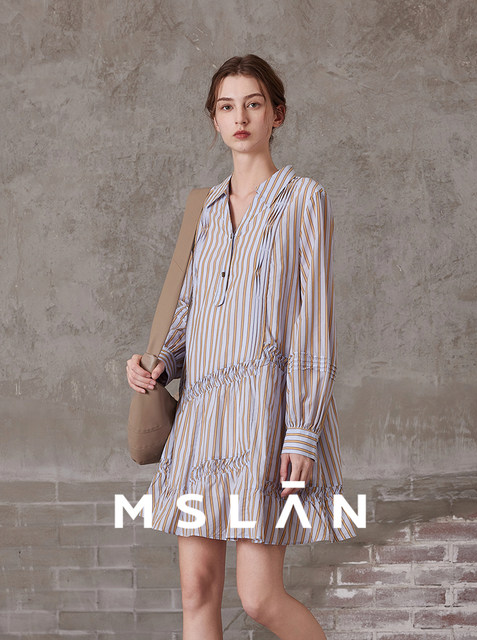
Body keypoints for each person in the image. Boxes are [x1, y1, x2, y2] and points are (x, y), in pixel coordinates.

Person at [126, 54, 356, 640]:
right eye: (227, 107)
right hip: (202, 418)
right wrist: (158, 364)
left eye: (254, 104)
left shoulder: (303, 199)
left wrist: (302, 431)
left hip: (266, 418)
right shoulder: (203, 209)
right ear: (214, 119)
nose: (241, 118)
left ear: (277, 114)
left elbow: (313, 320)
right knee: (196, 592)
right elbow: (190, 310)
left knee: (259, 598)